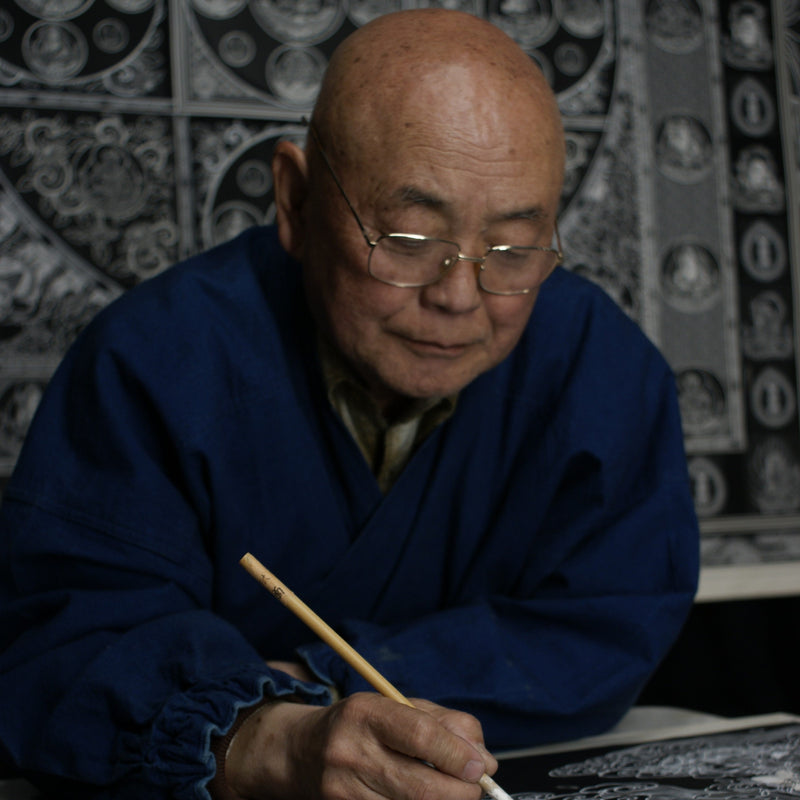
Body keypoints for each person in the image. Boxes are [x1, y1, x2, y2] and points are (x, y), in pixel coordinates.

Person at [0, 8, 699, 800]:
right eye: (409, 239)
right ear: (296, 201)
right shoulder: (155, 359)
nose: (460, 296)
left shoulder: (599, 367)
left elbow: (610, 619)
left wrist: (324, 680)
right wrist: (264, 739)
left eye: (512, 248)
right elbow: (65, 641)